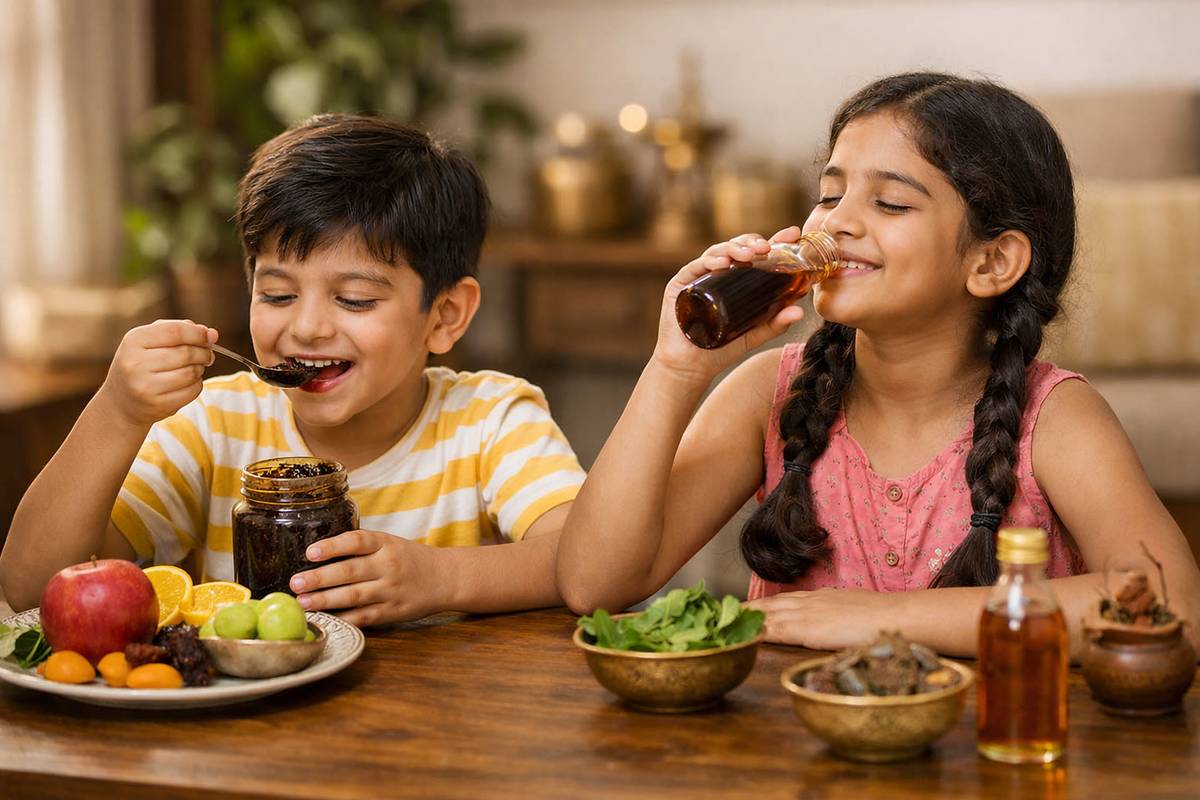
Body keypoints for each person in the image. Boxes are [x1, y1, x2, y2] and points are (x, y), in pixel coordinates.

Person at [556, 72, 1200, 658]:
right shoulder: (769, 392)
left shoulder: (1053, 418)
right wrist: (675, 370)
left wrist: (887, 618)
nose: (836, 224)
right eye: (828, 194)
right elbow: (594, 583)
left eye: (890, 204)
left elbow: (1173, 607)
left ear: (991, 262)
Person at [1, 115, 586, 626]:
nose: (305, 329)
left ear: (445, 315)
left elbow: (584, 556)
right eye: (277, 295)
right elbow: (34, 587)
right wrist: (116, 413)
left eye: (354, 300)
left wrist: (441, 578)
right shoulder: (211, 424)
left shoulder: (489, 420)